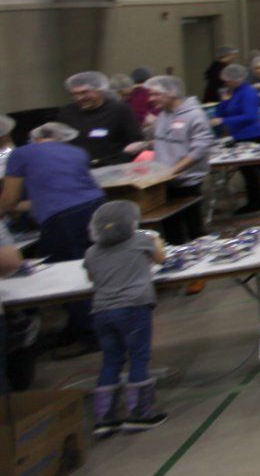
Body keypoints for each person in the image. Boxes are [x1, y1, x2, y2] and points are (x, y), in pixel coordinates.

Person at [2, 122, 108, 353]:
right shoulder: (76, 151)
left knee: (67, 275)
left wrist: (5, 211)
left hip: (62, 219)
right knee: (92, 268)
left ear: (35, 137)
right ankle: (81, 327)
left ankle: (90, 336)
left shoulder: (21, 154)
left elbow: (9, 199)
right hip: (96, 208)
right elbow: (48, 196)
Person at [84, 200, 168, 437]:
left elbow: (91, 276)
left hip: (101, 311)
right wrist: (155, 239)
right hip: (133, 307)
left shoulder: (92, 252)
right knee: (138, 357)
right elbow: (160, 258)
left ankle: (104, 417)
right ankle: (140, 413)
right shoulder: (140, 241)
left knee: (111, 360)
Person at [141, 76, 214, 242]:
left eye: (155, 94)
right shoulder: (162, 115)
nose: (150, 99)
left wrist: (173, 171)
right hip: (164, 182)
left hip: (186, 182)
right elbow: (165, 142)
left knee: (193, 229)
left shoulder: (195, 115)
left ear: (172, 93)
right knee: (171, 229)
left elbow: (199, 149)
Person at [213, 63, 260, 213]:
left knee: (251, 175)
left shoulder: (248, 93)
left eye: (228, 80)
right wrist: (224, 100)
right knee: (247, 173)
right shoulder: (234, 92)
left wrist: (224, 121)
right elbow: (224, 111)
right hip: (239, 135)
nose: (225, 83)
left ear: (236, 79)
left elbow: (250, 116)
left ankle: (256, 202)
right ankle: (254, 200)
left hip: (252, 135)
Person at [57, 72, 143, 167]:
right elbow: (61, 142)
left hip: (112, 169)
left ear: (99, 90)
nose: (79, 98)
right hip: (77, 168)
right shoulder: (68, 112)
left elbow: (136, 142)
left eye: (84, 93)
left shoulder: (119, 110)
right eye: (74, 94)